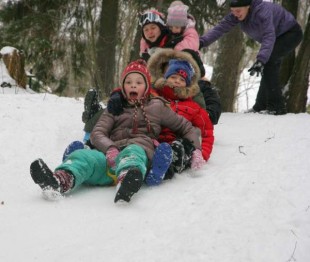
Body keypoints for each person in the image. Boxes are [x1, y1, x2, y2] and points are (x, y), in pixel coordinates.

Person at [30, 59, 204, 203]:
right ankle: (59, 180)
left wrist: (196, 150)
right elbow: (98, 132)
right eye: (128, 82)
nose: (133, 86)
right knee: (85, 157)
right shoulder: (115, 107)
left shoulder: (157, 106)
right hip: (109, 159)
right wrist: (110, 148)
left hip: (139, 154)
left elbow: (185, 127)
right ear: (122, 86)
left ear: (146, 86)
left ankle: (126, 181)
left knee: (133, 151)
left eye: (138, 82)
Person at [199, 0, 303, 115]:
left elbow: (269, 35)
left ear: (247, 6)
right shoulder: (236, 16)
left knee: (268, 63)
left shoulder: (262, 11)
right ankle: (260, 106)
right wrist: (201, 42)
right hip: (276, 38)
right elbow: (220, 29)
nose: (235, 14)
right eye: (232, 11)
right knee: (268, 66)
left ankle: (277, 107)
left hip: (290, 34)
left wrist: (261, 59)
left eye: (238, 11)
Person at [145, 49, 214, 186]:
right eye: (173, 77)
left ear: (187, 84)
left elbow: (207, 131)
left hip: (179, 141)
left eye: (181, 79)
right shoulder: (156, 96)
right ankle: (150, 164)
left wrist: (202, 154)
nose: (176, 81)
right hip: (157, 138)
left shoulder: (194, 107)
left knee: (181, 147)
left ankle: (164, 170)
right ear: (166, 78)